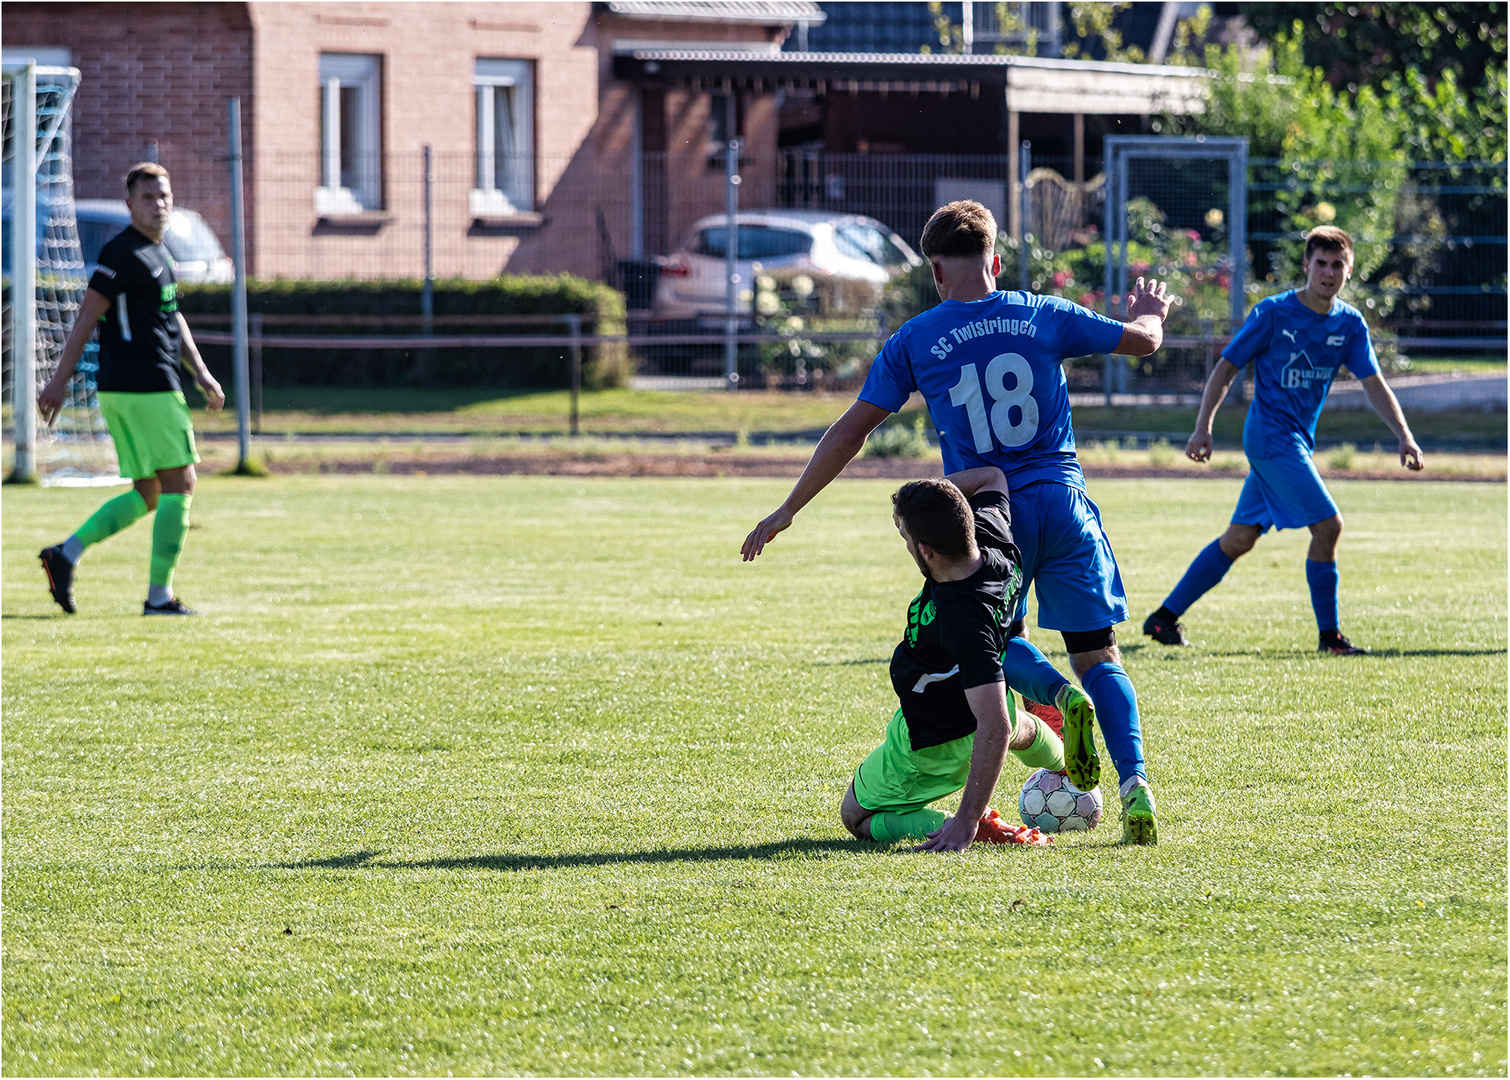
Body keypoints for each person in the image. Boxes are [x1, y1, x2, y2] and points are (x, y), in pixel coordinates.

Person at [745, 200, 1170, 845]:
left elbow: (850, 433)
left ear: (935, 269)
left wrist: (788, 508)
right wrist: (1150, 312)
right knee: (1100, 654)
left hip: (993, 516)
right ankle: (1135, 784)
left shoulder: (915, 339)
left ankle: (1055, 699)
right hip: (1063, 502)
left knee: (984, 642)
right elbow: (1142, 342)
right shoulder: (1040, 313)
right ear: (995, 261)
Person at [1143, 225, 1424, 654]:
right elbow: (1226, 368)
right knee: (1329, 526)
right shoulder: (1274, 313)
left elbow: (1375, 383)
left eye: (1337, 265)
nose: (1328, 273)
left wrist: (1405, 436)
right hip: (1271, 438)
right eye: (1321, 263)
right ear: (1307, 266)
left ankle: (1163, 618)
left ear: (1348, 271)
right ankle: (1330, 638)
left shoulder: (1349, 324)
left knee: (1239, 539)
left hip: (1295, 442)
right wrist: (1203, 426)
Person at [840, 468, 1072, 850]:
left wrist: (964, 821)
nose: (907, 545)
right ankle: (1065, 760)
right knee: (1018, 725)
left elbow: (992, 727)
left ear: (926, 550)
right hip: (988, 697)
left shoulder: (961, 619)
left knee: (857, 816)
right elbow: (992, 479)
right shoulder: (994, 542)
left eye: (907, 539)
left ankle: (976, 825)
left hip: (933, 738)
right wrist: (924, 501)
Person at [36, 162, 224, 616]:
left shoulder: (160, 253)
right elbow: (87, 316)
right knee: (182, 481)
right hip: (145, 387)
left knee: (149, 492)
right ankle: (159, 597)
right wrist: (58, 381)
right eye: (147, 197)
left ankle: (66, 554)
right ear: (129, 205)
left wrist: (200, 370)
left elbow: (170, 316)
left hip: (133, 389)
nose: (158, 204)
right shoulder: (122, 254)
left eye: (164, 196)